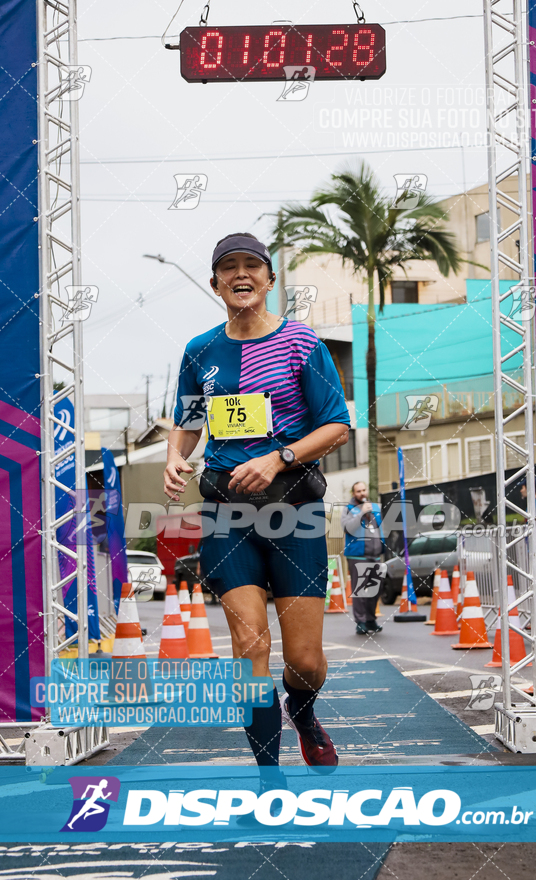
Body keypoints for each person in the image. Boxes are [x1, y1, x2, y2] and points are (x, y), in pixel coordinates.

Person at [164, 232, 350, 779]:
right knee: (249, 648)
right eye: (228, 268)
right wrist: (176, 457)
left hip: (293, 511)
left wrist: (279, 458)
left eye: (252, 266)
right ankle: (270, 778)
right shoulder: (201, 351)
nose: (240, 275)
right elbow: (190, 422)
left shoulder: (301, 344)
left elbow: (338, 425)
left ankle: (304, 712)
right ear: (216, 283)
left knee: (305, 662)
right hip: (227, 514)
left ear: (269, 279)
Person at [342, 481, 386, 635]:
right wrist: (361, 513)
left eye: (363, 490)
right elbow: (347, 528)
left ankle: (370, 619)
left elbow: (380, 527)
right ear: (354, 494)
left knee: (375, 589)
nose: (361, 493)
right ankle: (360, 622)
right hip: (357, 555)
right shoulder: (349, 509)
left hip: (375, 555)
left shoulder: (374, 508)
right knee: (360, 590)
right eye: (358, 491)